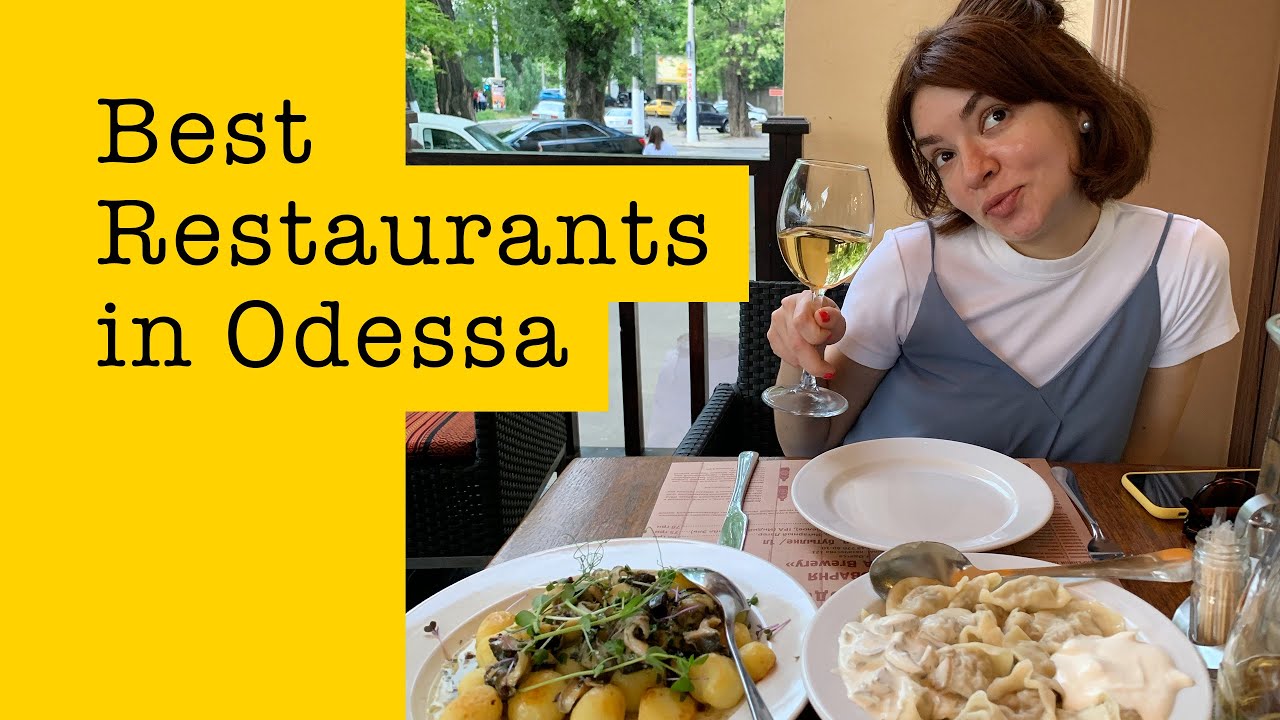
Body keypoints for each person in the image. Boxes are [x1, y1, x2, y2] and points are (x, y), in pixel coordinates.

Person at [768, 0, 1238, 464]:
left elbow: (1127, 473)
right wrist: (799, 352)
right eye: (944, 155)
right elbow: (808, 446)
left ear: (1078, 105)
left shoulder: (1182, 260)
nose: (974, 171)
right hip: (879, 512)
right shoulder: (910, 262)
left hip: (1058, 520)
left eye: (995, 117)